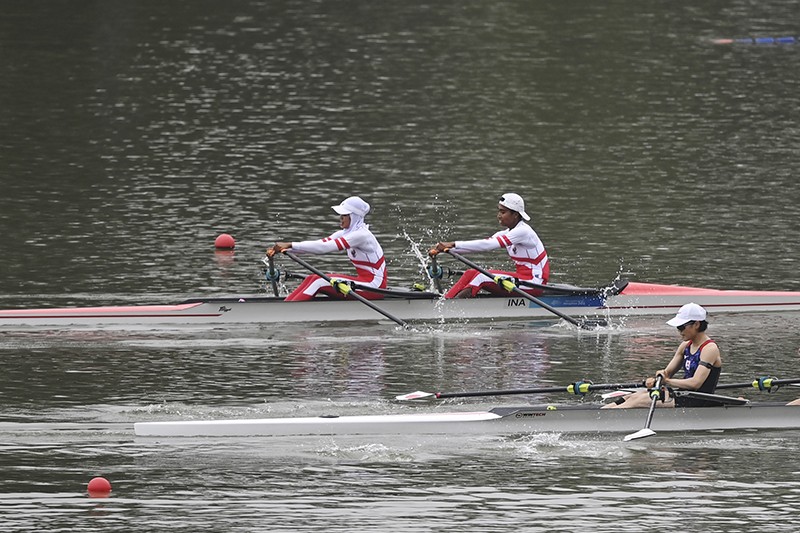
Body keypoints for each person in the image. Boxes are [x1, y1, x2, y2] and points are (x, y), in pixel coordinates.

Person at [603, 302, 722, 409]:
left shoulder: (709, 349)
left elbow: (695, 383)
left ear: (696, 324)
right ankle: (602, 411)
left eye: (681, 327)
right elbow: (667, 373)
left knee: (638, 401)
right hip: (684, 394)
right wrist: (656, 379)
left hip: (699, 400)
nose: (679, 331)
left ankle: (604, 419)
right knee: (633, 396)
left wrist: (667, 381)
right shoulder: (685, 346)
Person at [269, 196, 387, 301]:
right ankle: (287, 305)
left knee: (318, 281)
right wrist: (283, 250)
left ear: (354, 217)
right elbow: (320, 243)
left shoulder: (361, 235)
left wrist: (290, 244)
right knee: (312, 278)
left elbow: (323, 248)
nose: (340, 218)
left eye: (344, 215)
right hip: (364, 281)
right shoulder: (345, 233)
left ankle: (288, 311)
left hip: (374, 286)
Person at [432, 193, 549, 299]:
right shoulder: (507, 233)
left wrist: (452, 244)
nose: (499, 216)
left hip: (534, 283)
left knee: (481, 277)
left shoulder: (523, 232)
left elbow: (487, 245)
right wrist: (445, 249)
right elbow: (482, 245)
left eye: (503, 212)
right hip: (522, 279)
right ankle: (446, 300)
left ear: (515, 214)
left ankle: (451, 308)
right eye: (499, 211)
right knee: (470, 273)